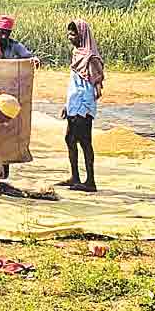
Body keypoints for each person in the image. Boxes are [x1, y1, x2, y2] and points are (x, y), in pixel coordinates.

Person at [58, 19, 104, 193]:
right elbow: (74, 84)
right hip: (74, 103)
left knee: (84, 142)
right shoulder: (77, 53)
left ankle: (90, 181)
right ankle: (75, 177)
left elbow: (96, 87)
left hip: (83, 106)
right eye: (69, 33)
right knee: (70, 139)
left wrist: (84, 106)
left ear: (82, 35)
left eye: (74, 33)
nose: (70, 37)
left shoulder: (91, 58)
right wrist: (67, 104)